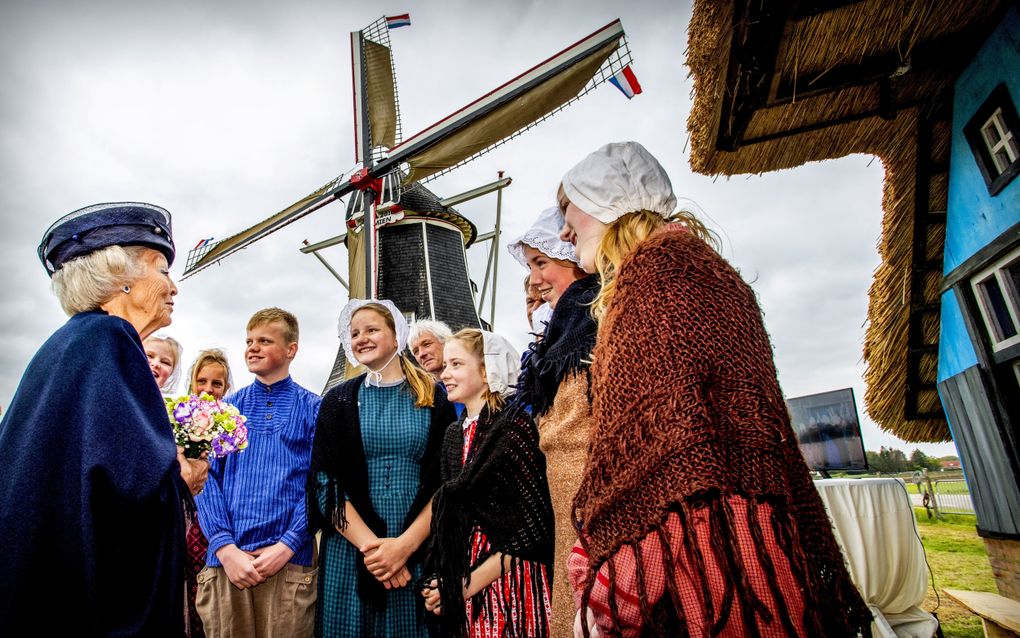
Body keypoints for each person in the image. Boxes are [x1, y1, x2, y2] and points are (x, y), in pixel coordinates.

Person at [558, 142, 873, 637]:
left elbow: (670, 471)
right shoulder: (703, 274)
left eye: (569, 206)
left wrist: (608, 598)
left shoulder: (655, 287)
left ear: (607, 202)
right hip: (750, 543)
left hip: (705, 572)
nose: (563, 228)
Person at [0, 202, 185, 635]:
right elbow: (129, 489)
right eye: (161, 269)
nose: (173, 287)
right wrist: (184, 476)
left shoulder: (69, 343)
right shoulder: (110, 340)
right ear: (121, 280)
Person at [308, 299, 456, 637]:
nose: (361, 338)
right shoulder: (338, 400)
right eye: (355, 332)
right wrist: (374, 551)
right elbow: (324, 481)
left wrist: (403, 547)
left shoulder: (435, 397)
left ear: (396, 335)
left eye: (372, 329)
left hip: (416, 536)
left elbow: (446, 481)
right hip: (352, 540)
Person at [195, 308, 320, 638]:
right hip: (228, 565)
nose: (253, 347)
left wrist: (288, 544)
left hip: (289, 563)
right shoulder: (225, 410)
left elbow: (321, 482)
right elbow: (206, 480)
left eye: (265, 340)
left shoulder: (314, 408)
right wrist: (224, 547)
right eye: (249, 341)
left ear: (291, 349)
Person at [422, 329, 554, 637]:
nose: (445, 374)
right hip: (467, 575)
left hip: (508, 580)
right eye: (444, 366)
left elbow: (531, 531)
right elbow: (450, 517)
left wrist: (462, 587)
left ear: (486, 370)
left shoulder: (513, 428)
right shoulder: (454, 435)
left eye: (456, 364)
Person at [509, 206, 601, 637]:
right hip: (567, 512)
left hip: (596, 511)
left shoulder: (597, 322)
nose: (536, 280)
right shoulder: (558, 337)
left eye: (541, 263)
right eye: (531, 267)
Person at [180, 348, 234, 638]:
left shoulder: (230, 425)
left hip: (216, 527)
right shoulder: (179, 421)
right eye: (202, 381)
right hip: (185, 523)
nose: (208, 390)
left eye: (216, 384)